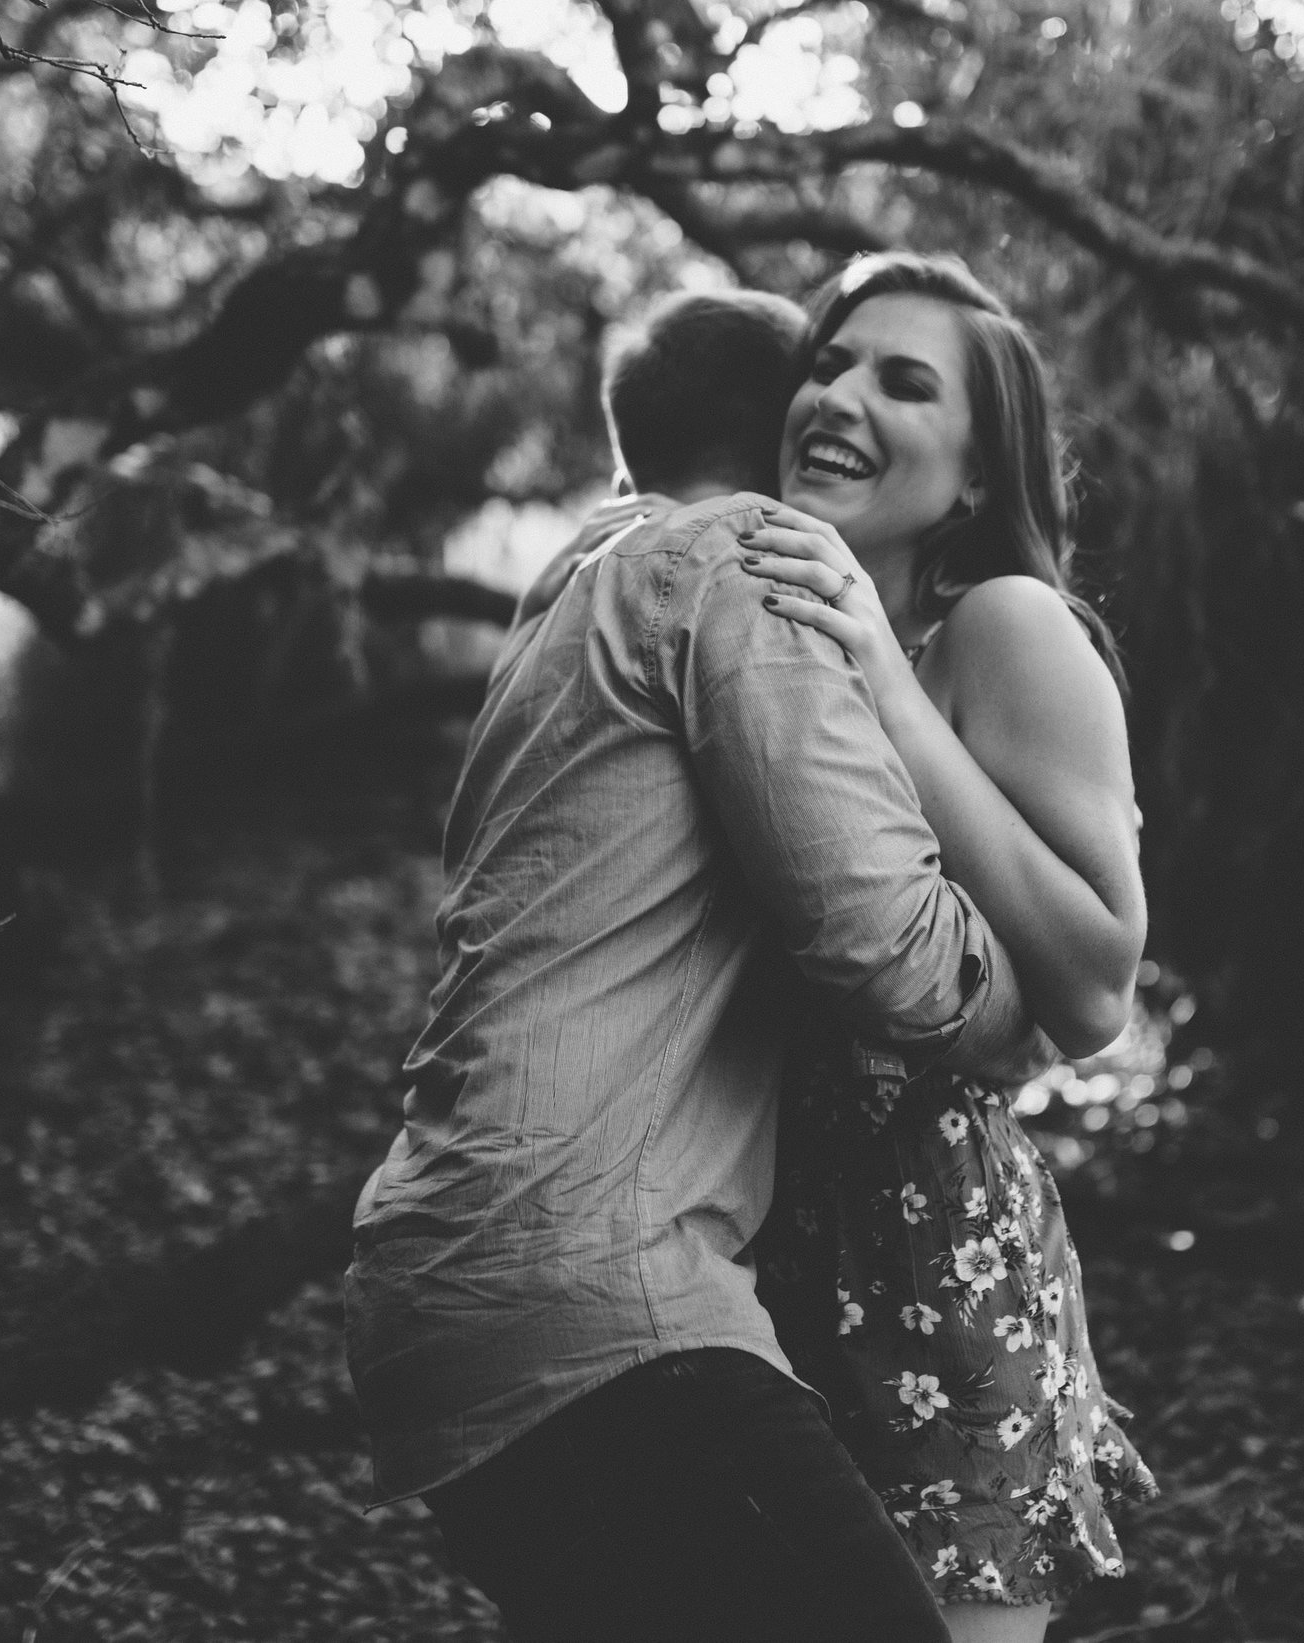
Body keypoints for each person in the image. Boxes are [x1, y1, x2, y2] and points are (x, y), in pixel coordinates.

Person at [344, 288, 1050, 1643]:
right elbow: (891, 951)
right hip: (595, 1296)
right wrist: (1040, 1000)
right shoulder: (737, 560)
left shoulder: (579, 573)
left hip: (444, 1284)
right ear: (783, 425)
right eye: (832, 380)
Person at [740, 252, 1158, 1642]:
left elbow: (1098, 984)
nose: (839, 396)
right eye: (830, 363)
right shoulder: (765, 623)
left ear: (978, 479)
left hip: (929, 1268)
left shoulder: (1001, 626)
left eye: (902, 382)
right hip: (746, 1256)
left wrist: (886, 677)